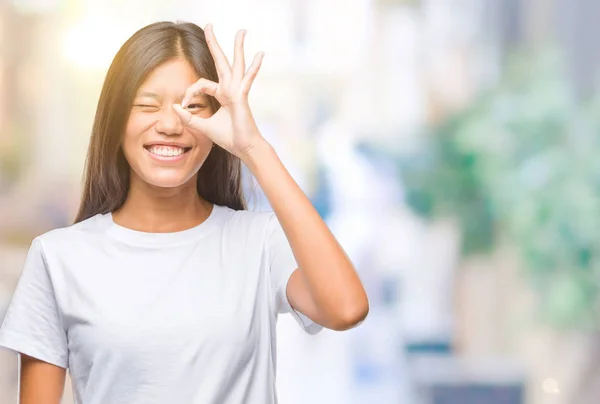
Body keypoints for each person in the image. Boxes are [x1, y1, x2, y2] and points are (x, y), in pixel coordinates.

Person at [0, 21, 369, 404]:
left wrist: (254, 147)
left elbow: (346, 308)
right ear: (116, 117)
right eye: (147, 104)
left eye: (193, 107)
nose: (171, 124)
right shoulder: (58, 257)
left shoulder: (260, 242)